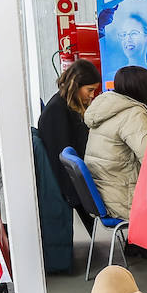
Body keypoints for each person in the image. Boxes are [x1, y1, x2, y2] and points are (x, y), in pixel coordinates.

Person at [83, 65, 147, 221]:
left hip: (105, 193)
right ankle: (141, 245)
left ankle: (135, 245)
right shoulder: (133, 113)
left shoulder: (108, 106)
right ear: (144, 88)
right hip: (125, 200)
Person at [39, 59, 101, 231]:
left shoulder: (64, 106)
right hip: (73, 186)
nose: (92, 95)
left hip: (76, 182)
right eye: (90, 90)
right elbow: (63, 158)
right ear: (76, 85)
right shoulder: (57, 112)